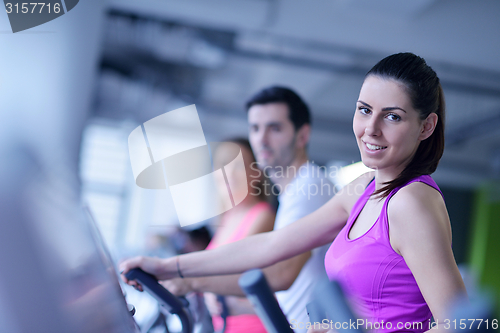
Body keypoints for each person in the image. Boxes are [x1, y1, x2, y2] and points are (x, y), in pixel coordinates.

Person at [121, 53, 468, 333]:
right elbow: (273, 245)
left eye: (392, 117)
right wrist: (169, 267)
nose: (370, 129)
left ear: (426, 126)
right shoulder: (362, 189)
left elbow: (459, 322)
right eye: (364, 110)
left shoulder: (412, 202)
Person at [129, 86, 334, 332]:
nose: (262, 139)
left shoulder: (309, 187)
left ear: (302, 136)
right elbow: (275, 266)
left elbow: (281, 272)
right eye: (255, 128)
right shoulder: (293, 194)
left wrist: (191, 279)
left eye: (275, 128)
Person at [202, 138, 275, 333]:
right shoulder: (227, 218)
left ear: (257, 173)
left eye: (239, 166)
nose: (228, 174)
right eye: (222, 165)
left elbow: (228, 269)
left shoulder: (262, 215)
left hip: (250, 327)